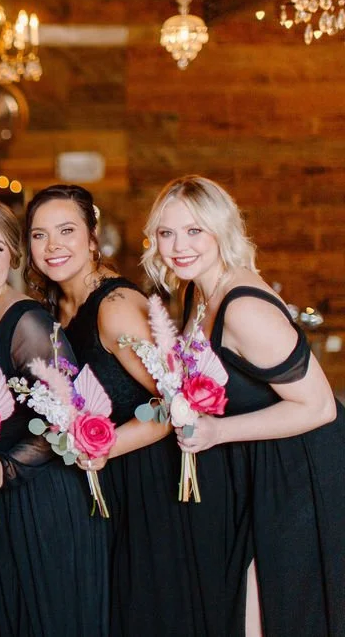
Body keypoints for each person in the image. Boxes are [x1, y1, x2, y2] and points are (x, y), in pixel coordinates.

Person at [26, 184, 246, 636]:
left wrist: (104, 444)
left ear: (92, 237)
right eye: (39, 235)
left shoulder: (115, 307)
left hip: (152, 486)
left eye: (66, 230)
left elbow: (176, 403)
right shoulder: (56, 308)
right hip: (106, 490)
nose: (52, 246)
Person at [144, 175, 344, 637]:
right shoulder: (198, 289)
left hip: (300, 471)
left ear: (222, 230)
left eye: (195, 231)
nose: (179, 246)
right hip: (257, 469)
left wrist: (218, 431)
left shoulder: (242, 308)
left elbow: (319, 406)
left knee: (279, 613)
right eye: (167, 233)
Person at [0, 200, 108, 636]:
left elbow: (65, 416)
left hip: (40, 505)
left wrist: (7, 465)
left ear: (13, 257)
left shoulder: (28, 322)